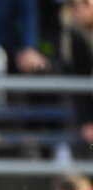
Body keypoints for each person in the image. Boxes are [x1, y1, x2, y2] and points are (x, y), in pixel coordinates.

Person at [60, 0, 93, 152]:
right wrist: (86, 121)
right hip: (83, 113)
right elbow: (78, 82)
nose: (77, 9)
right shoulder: (74, 35)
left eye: (83, 4)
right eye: (74, 5)